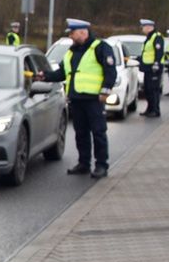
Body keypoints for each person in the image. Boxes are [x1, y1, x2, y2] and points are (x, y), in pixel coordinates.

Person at [37, 18, 116, 179]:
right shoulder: (71, 52)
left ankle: (101, 165)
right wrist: (45, 76)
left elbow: (110, 71)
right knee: (81, 133)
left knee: (98, 133)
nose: (71, 37)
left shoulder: (99, 48)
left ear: (83, 32)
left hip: (94, 99)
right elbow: (62, 73)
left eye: (72, 33)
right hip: (77, 98)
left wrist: (105, 91)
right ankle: (84, 163)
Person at [137, 18, 165, 117]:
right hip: (148, 68)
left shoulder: (157, 37)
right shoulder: (149, 37)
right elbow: (146, 53)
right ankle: (149, 109)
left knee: (153, 90)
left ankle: (155, 110)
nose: (142, 29)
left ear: (148, 27)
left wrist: (156, 64)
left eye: (143, 27)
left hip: (154, 68)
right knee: (148, 90)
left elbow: (159, 52)